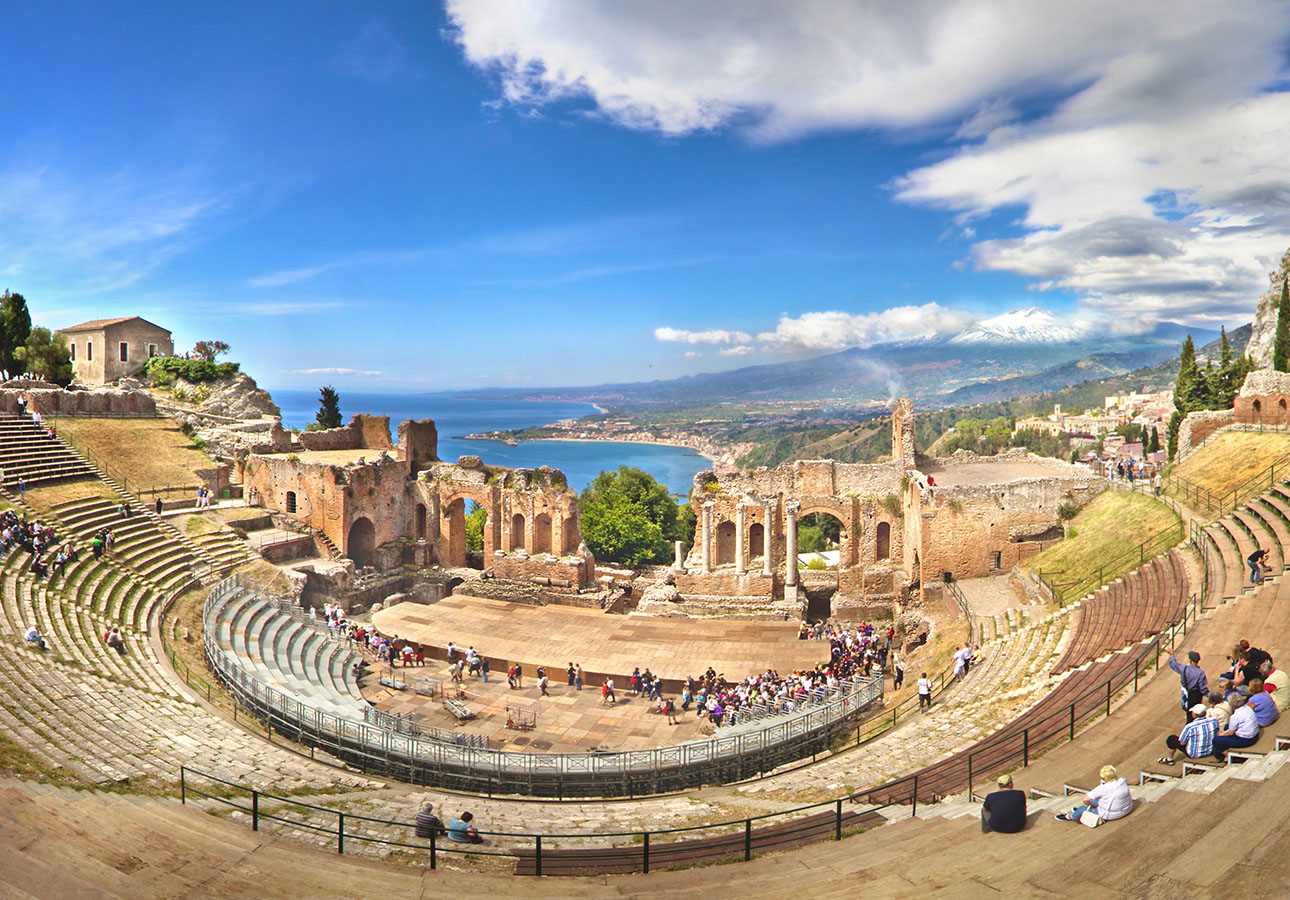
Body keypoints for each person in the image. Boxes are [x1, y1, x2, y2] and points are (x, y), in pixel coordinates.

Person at [1055, 765, 1132, 823]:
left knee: (1082, 809)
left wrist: (1090, 805)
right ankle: (1086, 809)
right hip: (1127, 809)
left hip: (1111, 814)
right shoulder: (1122, 781)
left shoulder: (1103, 788)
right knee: (1097, 800)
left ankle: (1070, 816)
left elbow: (1085, 798)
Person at [1212, 694, 1260, 760]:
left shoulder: (1235, 716)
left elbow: (1230, 732)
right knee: (1227, 726)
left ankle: (1227, 756)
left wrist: (1220, 734)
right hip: (1254, 734)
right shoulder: (1247, 708)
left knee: (1216, 740)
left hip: (1246, 740)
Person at [1166, 648, 1207, 721]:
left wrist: (1171, 654)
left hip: (1187, 694)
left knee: (1189, 713)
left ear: (1190, 660)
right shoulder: (1200, 673)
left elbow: (1174, 665)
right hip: (1197, 695)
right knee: (1197, 712)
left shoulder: (1184, 669)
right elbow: (1203, 689)